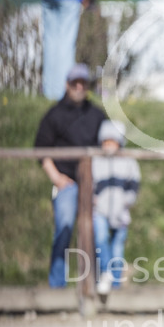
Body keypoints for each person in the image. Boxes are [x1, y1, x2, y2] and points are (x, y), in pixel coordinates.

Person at [34, 63, 106, 288]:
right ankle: (57, 286)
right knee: (64, 229)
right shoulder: (54, 115)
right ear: (67, 85)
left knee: (97, 232)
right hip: (66, 183)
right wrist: (56, 178)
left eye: (83, 83)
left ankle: (98, 285)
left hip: (93, 184)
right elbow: (41, 150)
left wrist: (101, 183)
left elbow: (110, 145)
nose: (79, 87)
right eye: (75, 83)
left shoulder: (97, 115)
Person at [92, 119, 140, 300]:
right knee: (101, 239)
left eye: (112, 141)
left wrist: (128, 201)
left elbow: (134, 184)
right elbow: (90, 182)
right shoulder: (96, 160)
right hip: (100, 210)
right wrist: (93, 198)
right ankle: (106, 273)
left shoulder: (128, 161)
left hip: (121, 212)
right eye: (106, 141)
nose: (109, 145)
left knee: (118, 248)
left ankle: (116, 285)